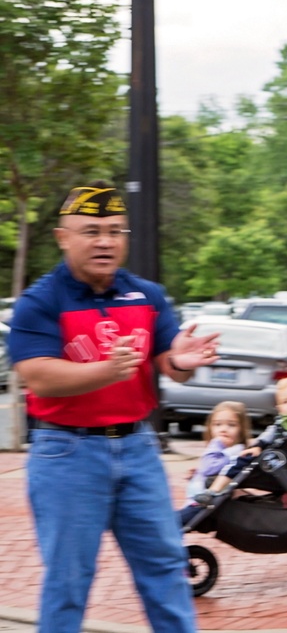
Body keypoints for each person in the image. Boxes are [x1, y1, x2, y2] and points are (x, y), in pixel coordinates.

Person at [8, 181, 221, 633]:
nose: (105, 241)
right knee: (69, 582)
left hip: (138, 448)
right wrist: (106, 371)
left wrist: (182, 362)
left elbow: (170, 363)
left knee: (167, 569)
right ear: (63, 237)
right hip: (65, 452)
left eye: (115, 231)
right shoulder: (40, 302)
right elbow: (38, 375)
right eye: (91, 231)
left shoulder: (147, 296)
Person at [198, 376, 287, 498]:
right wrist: (257, 446)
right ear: (279, 409)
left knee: (240, 461)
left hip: (278, 463)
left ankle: (214, 490)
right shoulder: (282, 423)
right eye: (286, 401)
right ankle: (214, 490)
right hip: (275, 460)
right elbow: (266, 437)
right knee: (243, 458)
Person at [177, 401, 251, 526]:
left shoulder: (236, 451)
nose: (223, 429)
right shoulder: (224, 451)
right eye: (217, 424)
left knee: (169, 523)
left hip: (205, 506)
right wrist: (197, 473)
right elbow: (212, 468)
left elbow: (209, 468)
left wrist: (216, 443)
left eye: (231, 425)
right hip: (198, 503)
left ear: (241, 430)